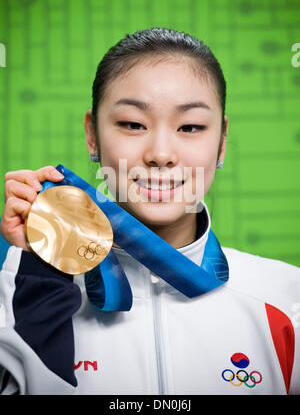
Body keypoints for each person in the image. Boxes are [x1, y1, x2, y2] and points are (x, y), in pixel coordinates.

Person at [0, 28, 299, 395]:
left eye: (190, 126)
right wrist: (30, 268)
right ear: (92, 134)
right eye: (132, 124)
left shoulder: (287, 301)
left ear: (221, 143)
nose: (160, 153)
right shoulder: (21, 289)